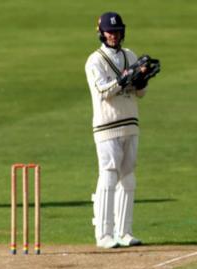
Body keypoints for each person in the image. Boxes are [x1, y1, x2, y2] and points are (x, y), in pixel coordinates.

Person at [85, 12, 147, 248]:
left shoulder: (130, 55)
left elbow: (140, 93)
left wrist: (141, 81)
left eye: (117, 31)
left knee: (128, 177)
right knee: (109, 174)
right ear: (101, 33)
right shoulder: (95, 60)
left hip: (130, 122)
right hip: (106, 126)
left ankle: (125, 232)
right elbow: (103, 92)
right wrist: (124, 79)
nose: (114, 35)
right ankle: (104, 234)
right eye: (110, 32)